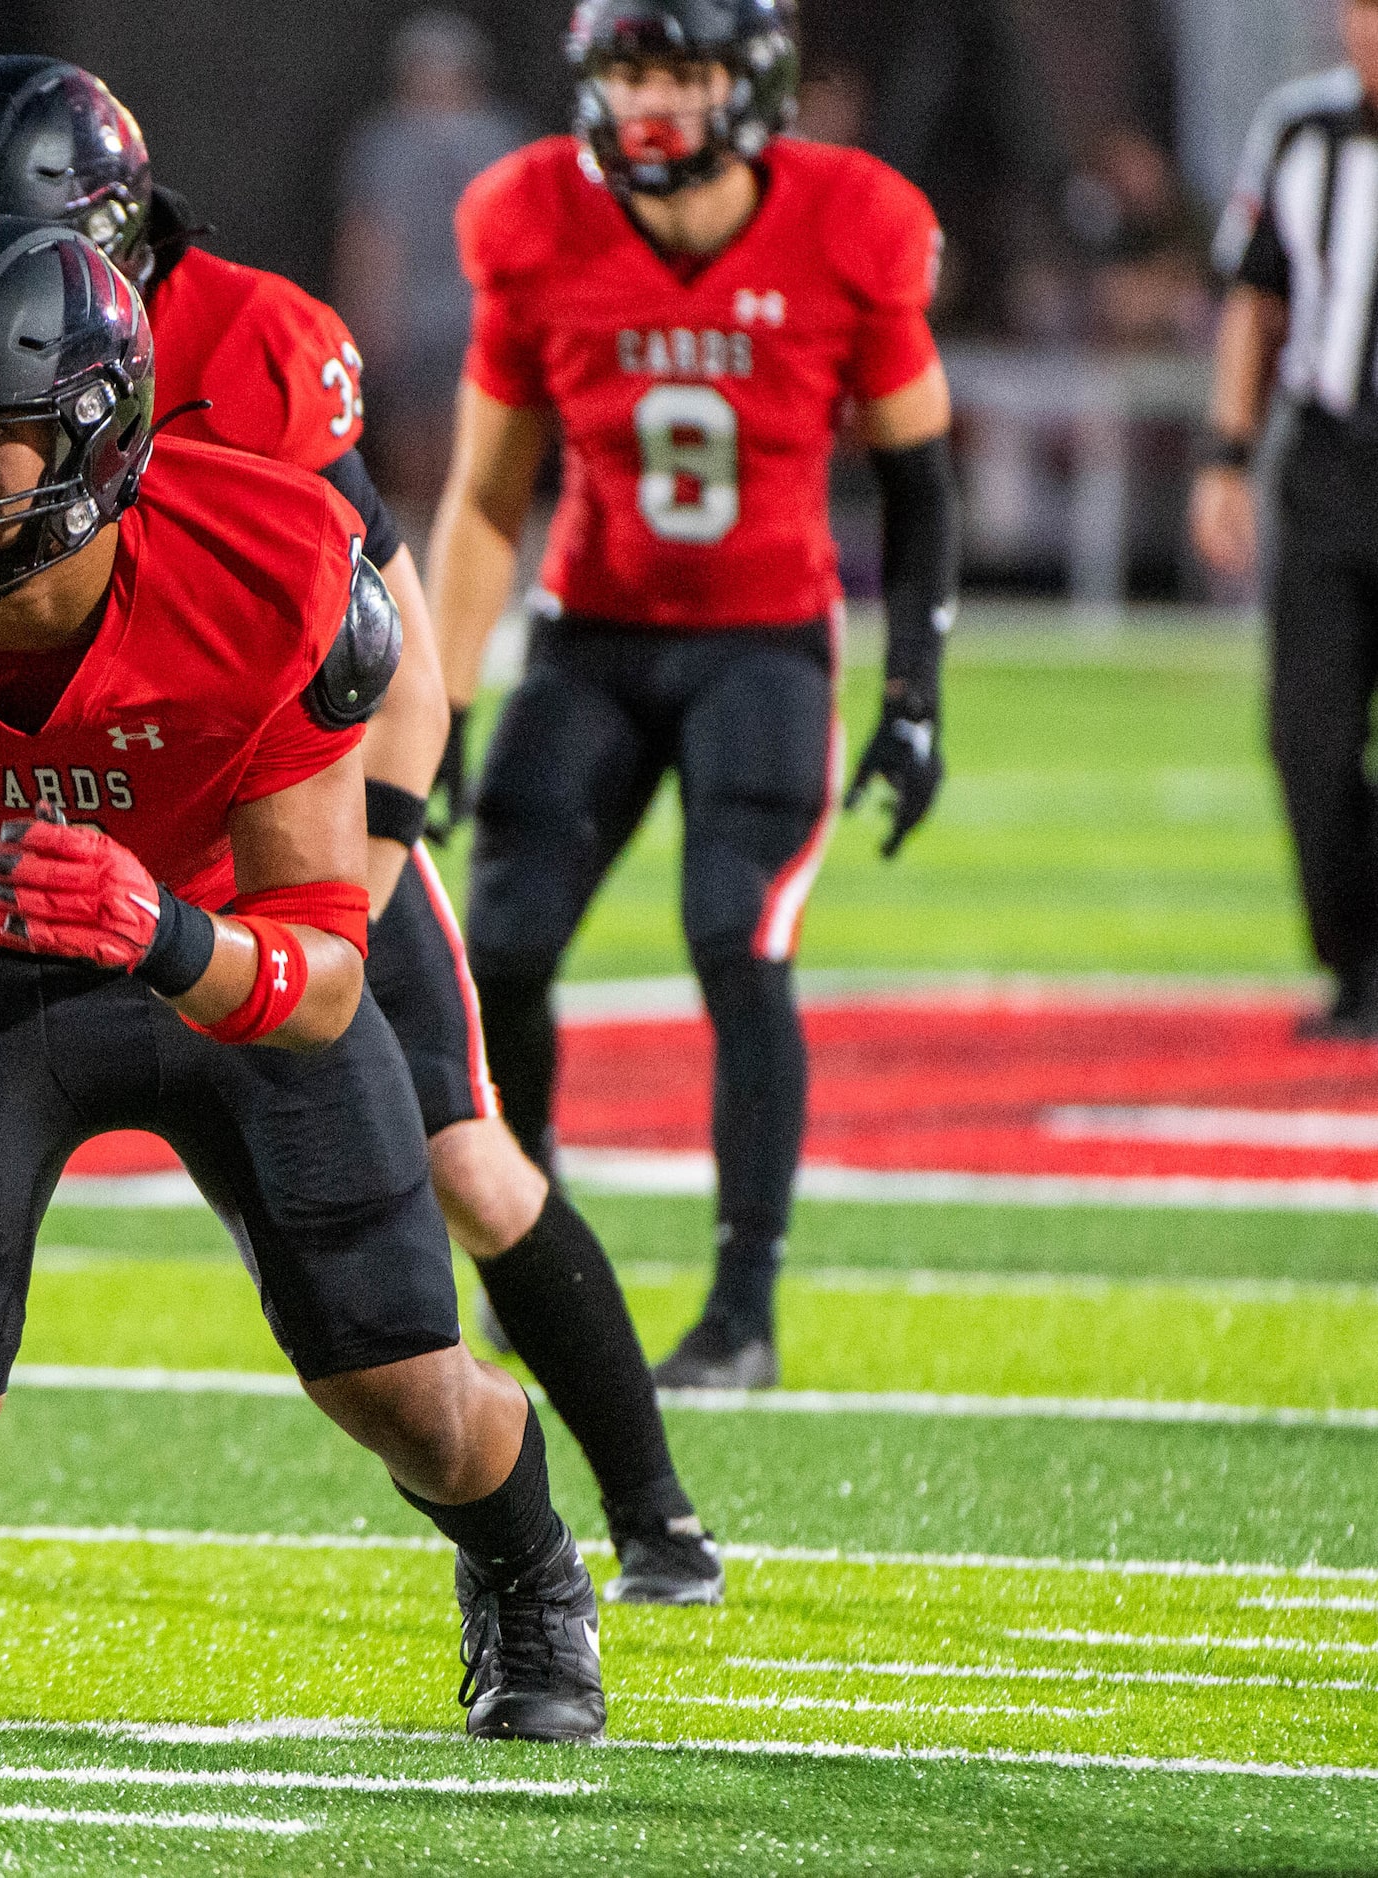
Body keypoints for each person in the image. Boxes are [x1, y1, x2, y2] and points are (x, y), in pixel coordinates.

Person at [0, 56, 720, 1598]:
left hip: (258, 802)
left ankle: (648, 1509)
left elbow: (385, 638)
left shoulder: (252, 341)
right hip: (22, 801)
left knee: (464, 1159)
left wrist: (351, 875)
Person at [0, 216, 607, 1743]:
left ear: (105, 429)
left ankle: (529, 1579)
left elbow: (324, 974)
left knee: (410, 1395)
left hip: (215, 943)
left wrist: (161, 935)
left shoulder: (259, 565)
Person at [433, 0, 960, 1390]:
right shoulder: (532, 217)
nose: (651, 101)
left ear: (753, 82)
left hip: (762, 639)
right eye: (626, 71)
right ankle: (522, 1238)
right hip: (589, 633)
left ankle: (739, 1309)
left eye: (680, 71)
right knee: (502, 945)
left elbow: (917, 484)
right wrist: (435, 701)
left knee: (736, 935)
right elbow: (488, 494)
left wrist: (914, 683)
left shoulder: (851, 220)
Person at [1194, 1, 1378, 1040]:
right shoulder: (1299, 131)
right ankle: (1350, 961)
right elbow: (1254, 301)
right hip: (1329, 463)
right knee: (1306, 737)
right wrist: (1225, 455)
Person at [334, 12, 528, 521]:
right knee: (423, 454)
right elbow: (371, 240)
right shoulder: (392, 141)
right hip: (433, 320)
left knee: (467, 453)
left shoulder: (493, 138)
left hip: (464, 319)